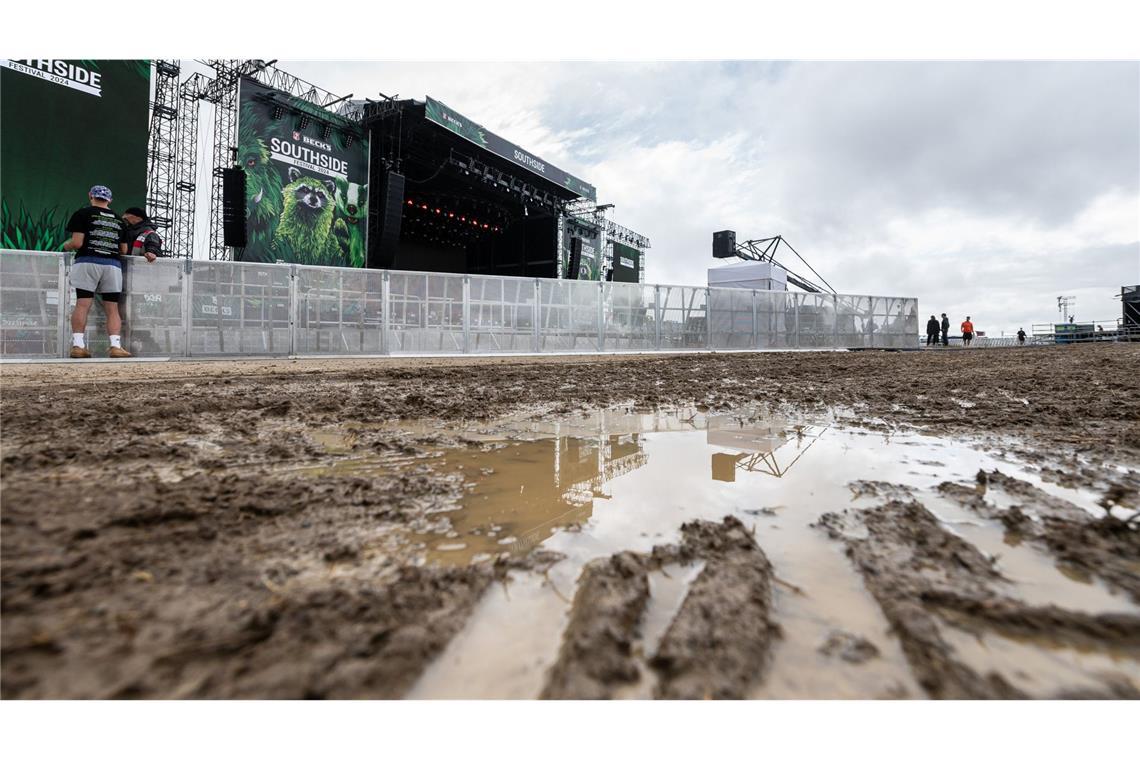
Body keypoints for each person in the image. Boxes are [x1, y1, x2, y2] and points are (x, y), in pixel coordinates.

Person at [62, 185, 132, 358]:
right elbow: (124, 249)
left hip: (87, 261)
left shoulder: (83, 214)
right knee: (112, 308)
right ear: (110, 200)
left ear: (90, 196)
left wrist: (65, 246)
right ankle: (115, 346)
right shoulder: (119, 220)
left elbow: (77, 243)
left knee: (83, 304)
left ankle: (78, 345)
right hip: (112, 265)